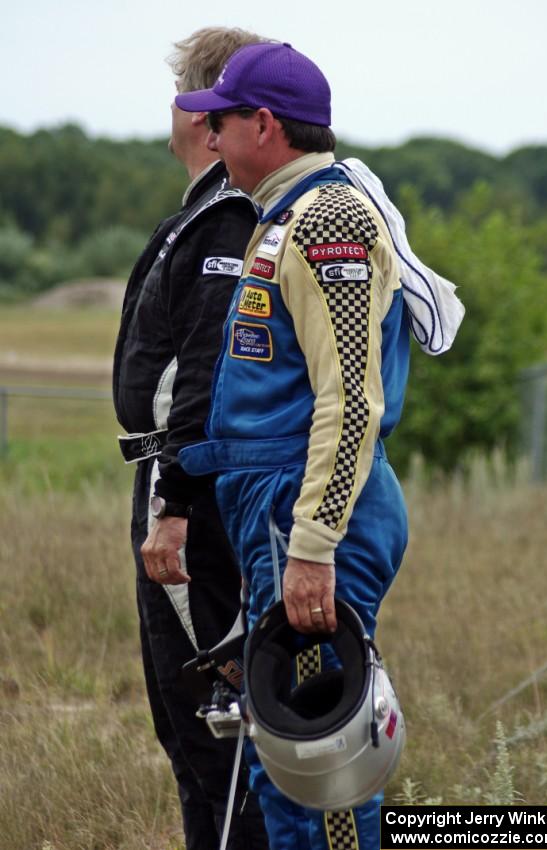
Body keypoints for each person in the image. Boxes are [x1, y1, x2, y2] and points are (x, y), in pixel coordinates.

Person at [176, 41, 413, 850]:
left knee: (318, 761)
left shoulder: (329, 218)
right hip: (281, 510)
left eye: (222, 123)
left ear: (264, 124)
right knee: (289, 753)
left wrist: (313, 546)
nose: (210, 140)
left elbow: (351, 402)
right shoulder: (289, 211)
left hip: (307, 514)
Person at [112, 28, 270, 850]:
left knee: (214, 731)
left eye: (185, 95)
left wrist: (172, 503)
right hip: (174, 485)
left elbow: (207, 376)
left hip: (191, 497)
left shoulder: (225, 218)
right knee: (191, 730)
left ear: (209, 119)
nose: (173, 111)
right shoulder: (206, 209)